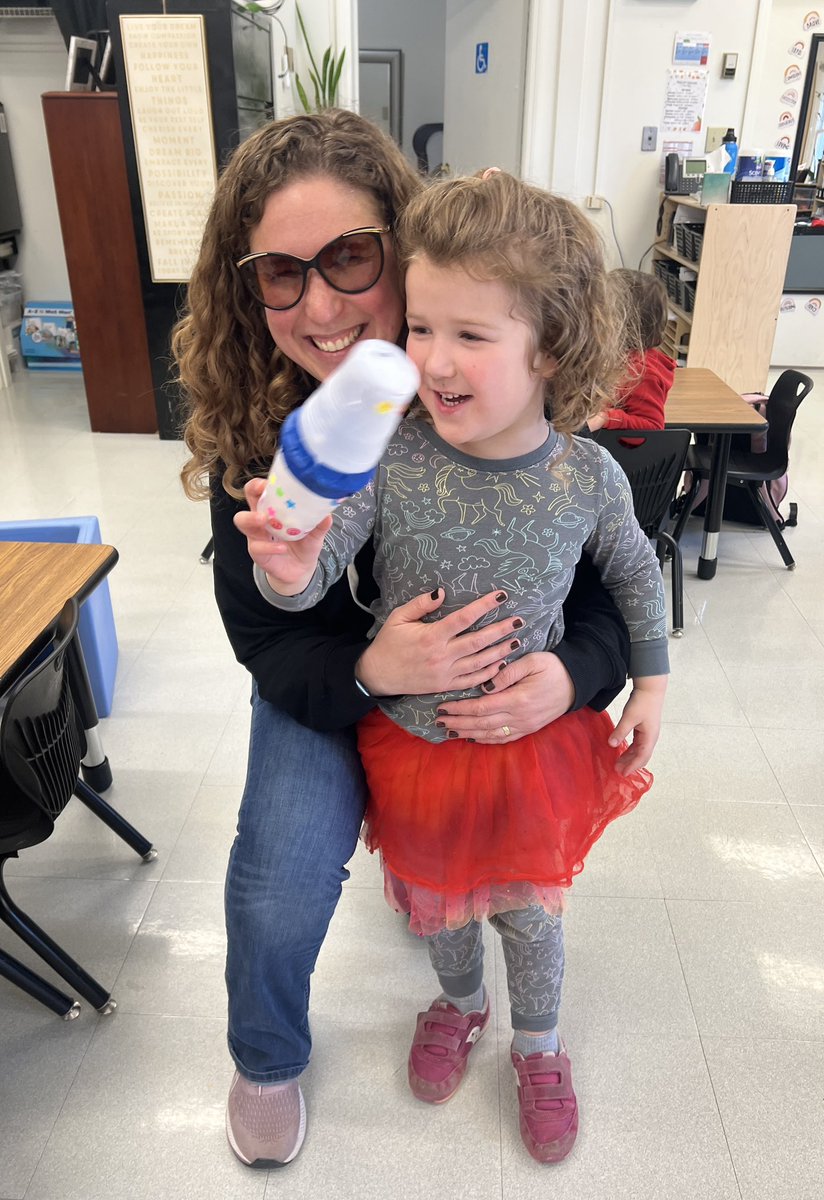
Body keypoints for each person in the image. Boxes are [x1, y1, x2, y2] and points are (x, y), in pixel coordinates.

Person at [174, 110, 631, 1171]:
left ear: (409, 248)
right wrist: (370, 669)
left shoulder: (499, 378)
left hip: (492, 701)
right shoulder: (261, 428)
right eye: (281, 274)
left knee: (502, 884)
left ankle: (518, 1023)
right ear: (249, 288)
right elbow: (264, 641)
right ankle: (266, 1053)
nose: (322, 305)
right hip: (329, 687)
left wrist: (568, 679)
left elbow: (610, 586)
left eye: (349, 258)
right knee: (276, 883)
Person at [587, 268, 675, 432]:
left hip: (618, 453)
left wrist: (606, 417)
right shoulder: (617, 355)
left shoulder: (643, 372)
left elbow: (652, 427)